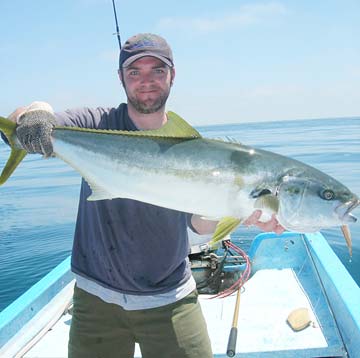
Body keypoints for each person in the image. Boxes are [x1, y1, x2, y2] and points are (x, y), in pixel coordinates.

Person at [8, 33, 284, 358]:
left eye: (157, 70)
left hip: (170, 299)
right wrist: (32, 114)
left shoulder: (194, 151)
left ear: (172, 75)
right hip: (95, 300)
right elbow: (27, 121)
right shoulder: (97, 124)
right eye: (135, 72)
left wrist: (237, 210)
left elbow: (197, 224)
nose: (147, 81)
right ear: (121, 78)